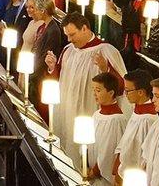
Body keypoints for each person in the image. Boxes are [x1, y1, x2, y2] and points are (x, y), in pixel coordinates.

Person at [44, 11, 125, 147]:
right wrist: (53, 68)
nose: (69, 39)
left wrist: (106, 69)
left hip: (89, 111)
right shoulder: (68, 50)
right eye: (67, 35)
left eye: (72, 35)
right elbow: (60, 80)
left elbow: (122, 87)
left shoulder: (106, 51)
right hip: (67, 110)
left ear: (84, 28)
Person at [111, 70, 157, 186]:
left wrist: (125, 178)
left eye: (128, 90)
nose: (125, 94)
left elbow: (140, 155)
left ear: (141, 92)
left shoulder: (148, 120)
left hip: (132, 180)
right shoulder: (137, 112)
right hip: (123, 173)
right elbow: (126, 143)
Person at [89, 72, 126, 186]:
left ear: (111, 93)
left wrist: (94, 171)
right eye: (93, 90)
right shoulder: (97, 114)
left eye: (98, 90)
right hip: (92, 169)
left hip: (102, 178)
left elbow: (108, 151)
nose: (94, 94)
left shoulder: (116, 120)